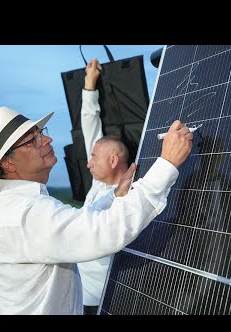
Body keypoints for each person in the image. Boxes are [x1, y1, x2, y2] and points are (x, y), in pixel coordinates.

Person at [0, 91, 193, 316]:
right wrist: (167, 164)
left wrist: (113, 197)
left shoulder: (18, 205)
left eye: (41, 133)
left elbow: (79, 223)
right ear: (8, 163)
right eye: (32, 139)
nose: (47, 139)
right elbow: (104, 231)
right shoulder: (24, 214)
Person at [78, 58, 130, 315]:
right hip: (81, 296)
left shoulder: (129, 197)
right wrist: (90, 84)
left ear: (113, 160)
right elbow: (90, 124)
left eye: (94, 158)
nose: (88, 164)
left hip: (106, 300)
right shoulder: (97, 183)